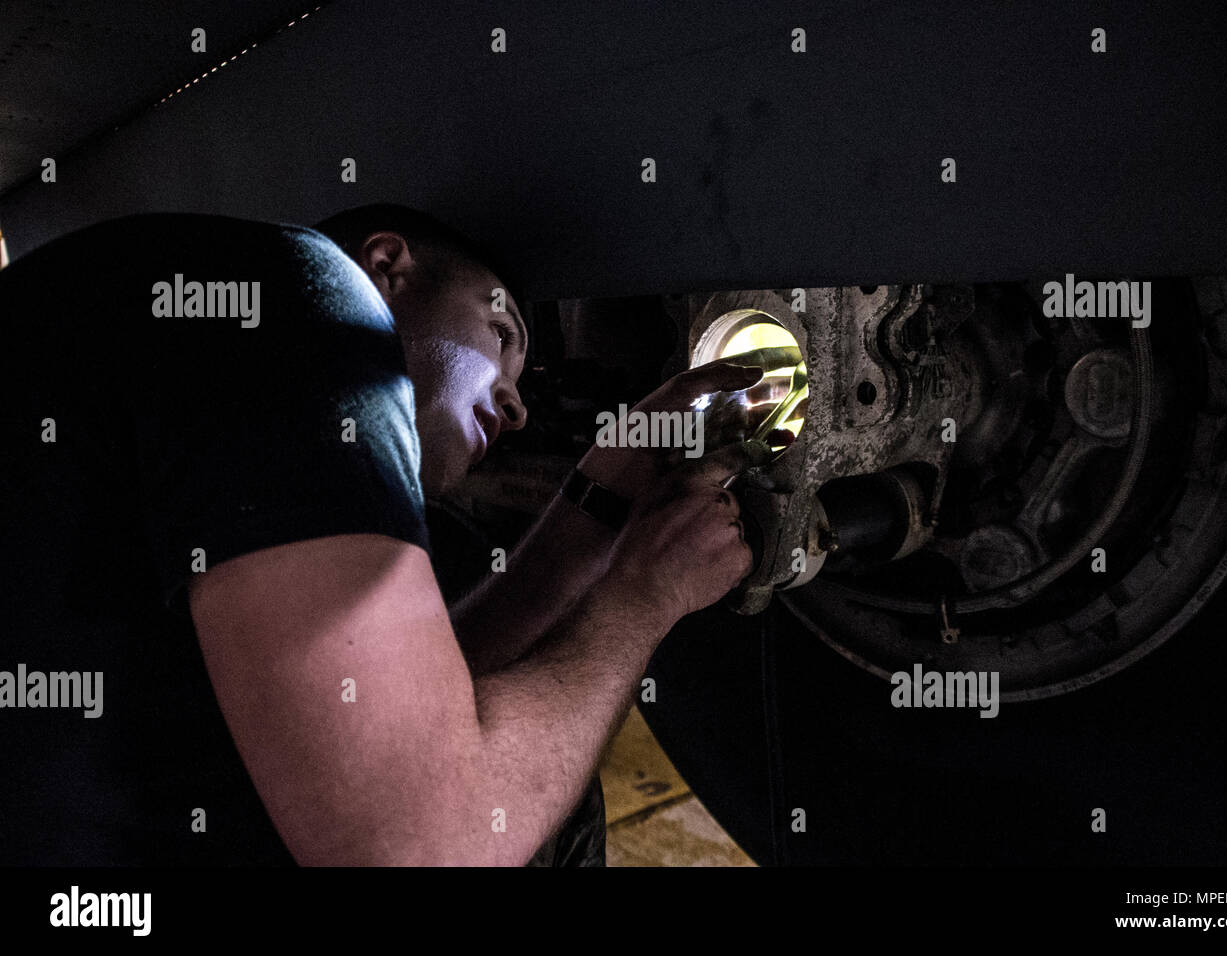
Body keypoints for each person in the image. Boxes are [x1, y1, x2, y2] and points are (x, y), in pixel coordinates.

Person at [0, 206, 765, 866]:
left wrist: (594, 504)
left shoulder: (166, 321)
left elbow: (383, 726)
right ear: (388, 263)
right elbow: (423, 845)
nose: (516, 402)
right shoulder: (305, 290)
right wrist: (642, 600)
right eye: (499, 331)